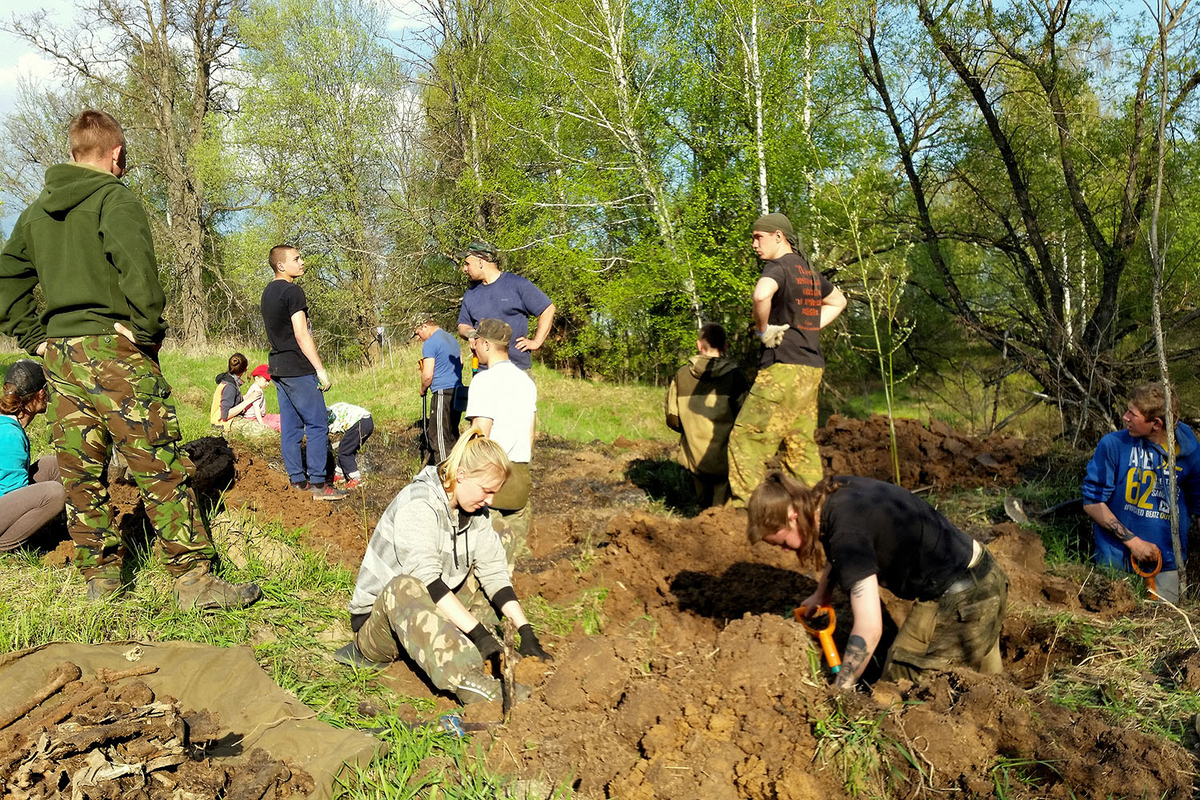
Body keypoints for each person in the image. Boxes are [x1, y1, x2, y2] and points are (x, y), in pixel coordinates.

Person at [0, 109, 261, 608]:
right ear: (116, 154)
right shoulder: (113, 198)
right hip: (115, 352)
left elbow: (6, 282)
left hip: (61, 358)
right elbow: (138, 270)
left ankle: (101, 579)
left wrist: (35, 337)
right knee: (158, 461)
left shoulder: (35, 214)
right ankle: (193, 582)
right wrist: (145, 330)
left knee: (80, 469)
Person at [338, 426, 552, 704]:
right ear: (461, 475)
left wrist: (526, 632)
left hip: (430, 604)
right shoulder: (418, 505)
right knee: (404, 586)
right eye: (486, 491)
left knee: (502, 533)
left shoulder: (475, 511)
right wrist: (478, 634)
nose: (490, 501)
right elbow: (427, 582)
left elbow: (495, 573)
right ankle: (470, 679)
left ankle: (483, 646)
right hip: (382, 624)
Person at [749, 472, 1007, 690]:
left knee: (898, 691)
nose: (784, 550)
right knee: (989, 688)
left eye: (782, 542)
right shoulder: (831, 493)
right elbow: (840, 551)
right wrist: (821, 594)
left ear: (793, 514)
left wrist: (843, 688)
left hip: (959, 603)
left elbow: (870, 628)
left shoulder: (845, 533)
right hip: (986, 577)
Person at [727, 213, 847, 506]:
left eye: (758, 237)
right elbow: (839, 300)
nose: (754, 244)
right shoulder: (806, 272)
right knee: (799, 445)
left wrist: (763, 330)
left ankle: (747, 515)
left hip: (783, 369)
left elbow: (760, 295)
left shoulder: (778, 267)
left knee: (746, 440)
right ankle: (814, 514)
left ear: (778, 236)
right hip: (810, 369)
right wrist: (808, 327)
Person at [1083, 383, 1200, 603]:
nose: (1125, 417)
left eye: (1132, 414)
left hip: (1167, 565)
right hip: (1116, 561)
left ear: (1156, 424)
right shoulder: (1113, 445)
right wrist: (1134, 543)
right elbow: (1092, 502)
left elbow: (1199, 505)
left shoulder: (1191, 454)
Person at [260, 244, 346, 501]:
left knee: (291, 427)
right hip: (298, 368)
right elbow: (301, 334)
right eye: (296, 258)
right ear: (281, 265)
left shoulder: (267, 292)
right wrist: (320, 369)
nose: (302, 262)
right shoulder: (292, 291)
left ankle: (297, 482)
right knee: (318, 424)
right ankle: (319, 485)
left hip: (278, 368)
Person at [464, 319, 537, 567]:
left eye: (476, 341)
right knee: (514, 552)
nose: (473, 346)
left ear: (486, 343)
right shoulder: (526, 382)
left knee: (485, 553)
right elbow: (531, 432)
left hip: (493, 478)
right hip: (520, 475)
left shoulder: (484, 381)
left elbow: (480, 433)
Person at [665, 322, 750, 507]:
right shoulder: (736, 377)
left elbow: (672, 419)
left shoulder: (681, 375)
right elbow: (747, 420)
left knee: (697, 509)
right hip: (726, 462)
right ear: (725, 346)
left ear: (698, 345)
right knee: (722, 516)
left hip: (693, 461)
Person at [457, 241, 555, 372]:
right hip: (483, 372)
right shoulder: (471, 293)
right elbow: (462, 325)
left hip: (517, 370)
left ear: (480, 262)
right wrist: (471, 334)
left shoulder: (517, 285)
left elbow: (548, 309)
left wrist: (536, 342)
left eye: (467, 263)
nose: (464, 269)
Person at [0, 360, 66, 552]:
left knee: (52, 464)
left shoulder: (7, 423)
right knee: (54, 493)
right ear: (39, 395)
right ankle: (8, 545)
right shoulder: (10, 435)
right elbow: (11, 493)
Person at [414, 316, 465, 465]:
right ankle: (458, 468)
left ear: (424, 326)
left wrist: (423, 388)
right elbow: (460, 363)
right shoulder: (451, 338)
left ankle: (445, 475)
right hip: (458, 391)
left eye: (417, 333)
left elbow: (428, 375)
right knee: (452, 433)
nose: (418, 338)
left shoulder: (430, 343)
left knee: (439, 436)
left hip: (443, 391)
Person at [328, 401, 374, 488]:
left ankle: (355, 478)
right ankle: (339, 473)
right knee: (347, 447)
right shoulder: (333, 408)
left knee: (344, 452)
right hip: (368, 421)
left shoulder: (327, 421)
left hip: (360, 423)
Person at [239, 365, 281, 432]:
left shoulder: (256, 388)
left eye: (268, 381)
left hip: (261, 416)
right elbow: (256, 408)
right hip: (253, 418)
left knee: (280, 417)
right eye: (266, 380)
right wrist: (261, 422)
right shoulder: (256, 391)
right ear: (257, 378)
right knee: (277, 425)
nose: (267, 383)